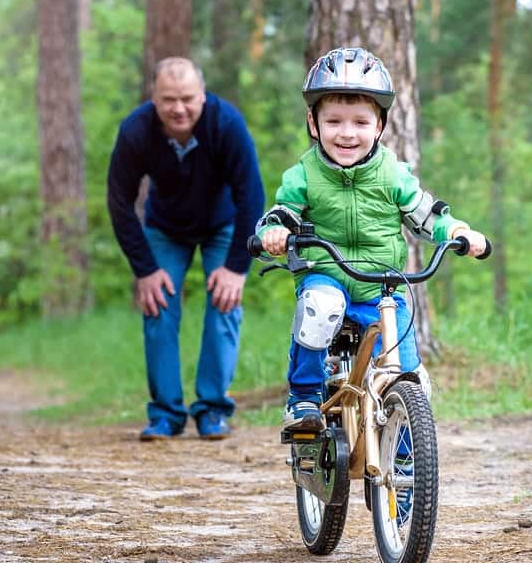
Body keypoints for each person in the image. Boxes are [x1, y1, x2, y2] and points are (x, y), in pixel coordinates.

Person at [255, 47, 488, 432]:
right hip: (324, 273)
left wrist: (459, 232)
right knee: (319, 306)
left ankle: (406, 455)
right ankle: (304, 399)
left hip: (382, 284)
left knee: (410, 378)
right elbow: (281, 214)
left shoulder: (393, 174)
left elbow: (425, 215)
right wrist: (274, 233)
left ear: (379, 126)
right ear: (314, 124)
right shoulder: (304, 175)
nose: (347, 133)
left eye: (360, 123)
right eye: (334, 122)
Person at [107, 57, 266, 441]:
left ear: (203, 95)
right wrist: (144, 269)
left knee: (224, 304)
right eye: (168, 99)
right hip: (166, 228)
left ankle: (212, 410)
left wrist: (236, 268)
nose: (179, 108)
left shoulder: (226, 124)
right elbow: (118, 202)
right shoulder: (135, 131)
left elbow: (252, 196)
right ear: (154, 99)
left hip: (224, 224)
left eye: (187, 99)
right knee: (157, 304)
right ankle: (165, 414)